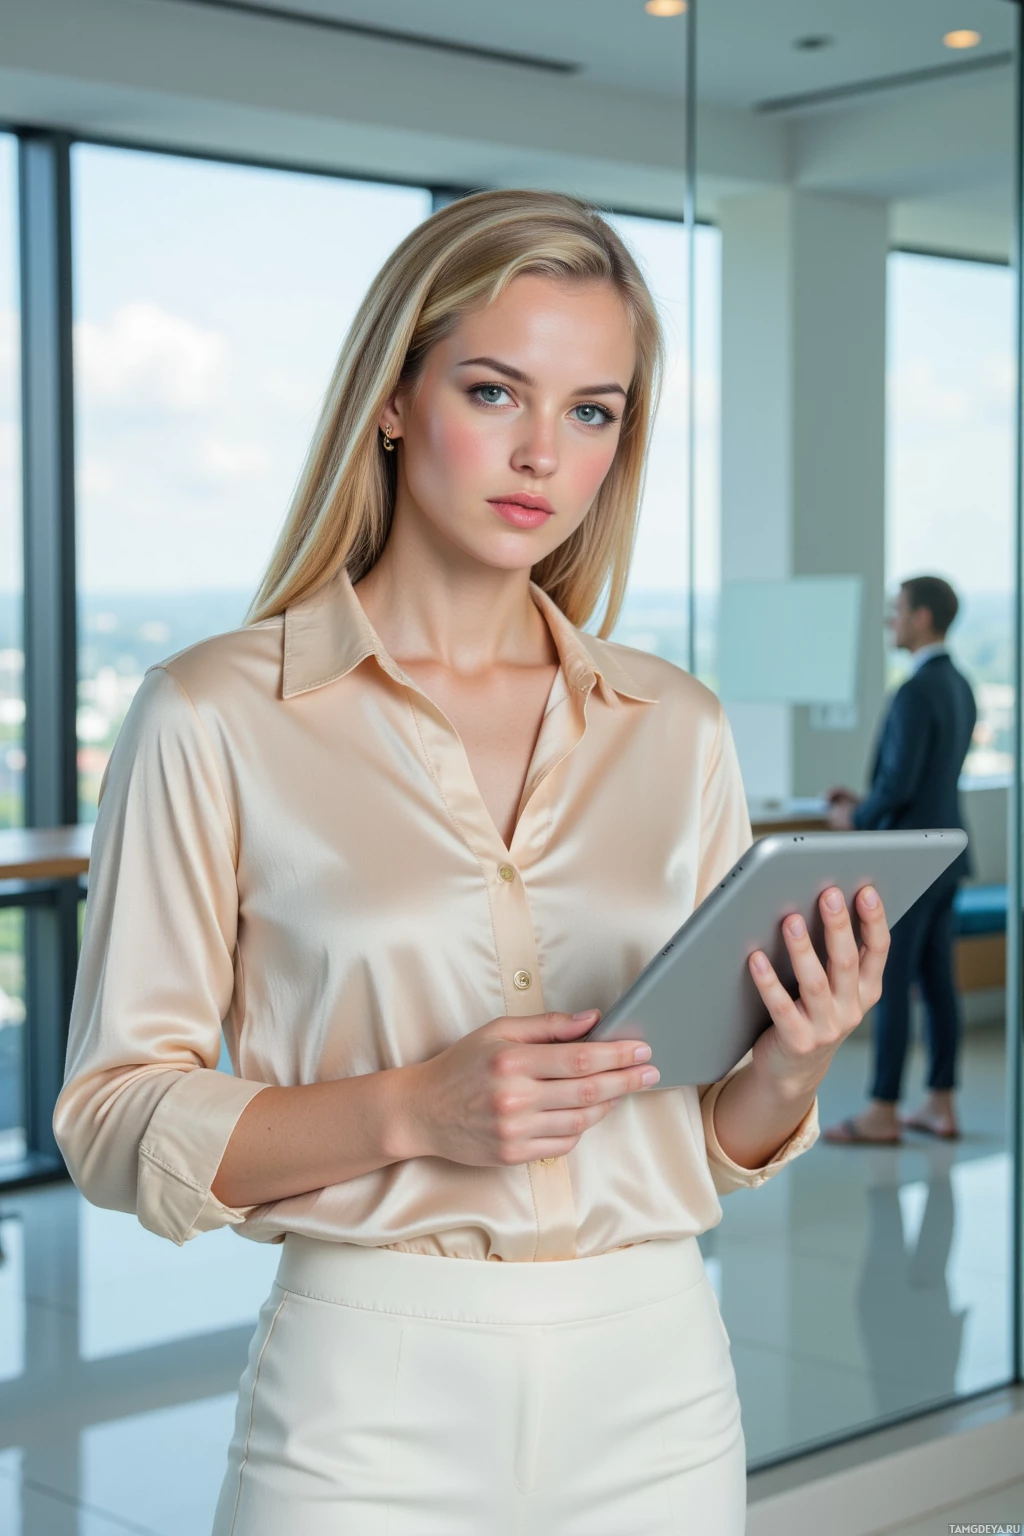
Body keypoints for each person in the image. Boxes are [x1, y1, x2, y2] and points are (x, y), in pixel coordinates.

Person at [53, 190, 890, 1536]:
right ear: (393, 398)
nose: (542, 455)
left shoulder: (675, 728)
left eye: (593, 411)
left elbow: (708, 1135)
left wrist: (792, 1062)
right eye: (496, 391)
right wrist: (411, 1112)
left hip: (660, 1387)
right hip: (360, 1406)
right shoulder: (214, 713)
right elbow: (106, 1120)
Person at [823, 576, 976, 1147]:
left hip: (911, 859)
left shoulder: (914, 692)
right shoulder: (960, 683)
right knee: (938, 984)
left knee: (888, 981)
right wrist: (867, 803)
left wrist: (853, 818)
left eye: (899, 611)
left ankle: (882, 1111)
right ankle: (941, 1103)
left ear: (924, 618)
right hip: (949, 854)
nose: (892, 619)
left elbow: (900, 785)